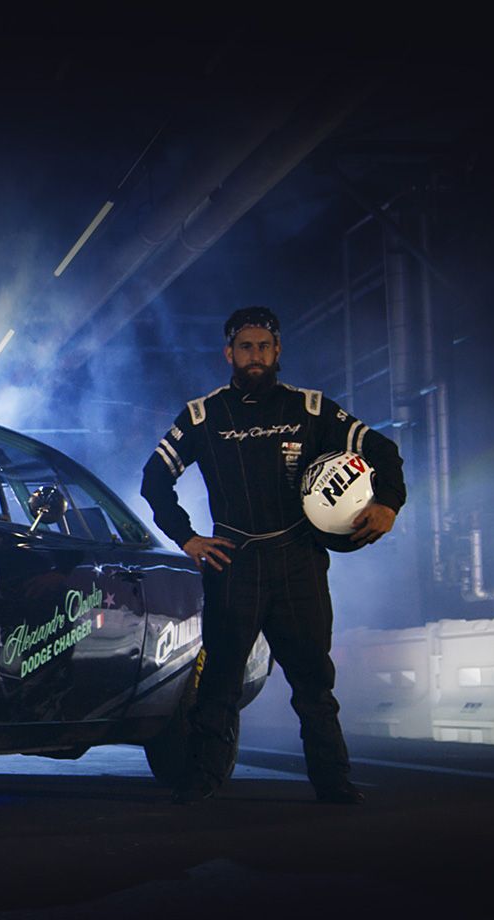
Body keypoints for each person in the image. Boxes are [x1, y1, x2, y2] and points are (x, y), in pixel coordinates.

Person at [139, 306, 405, 805]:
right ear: (229, 354)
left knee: (314, 682)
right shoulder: (202, 415)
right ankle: (202, 782)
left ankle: (334, 784)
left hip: (298, 560)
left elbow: (383, 450)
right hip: (232, 563)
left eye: (264, 346)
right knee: (219, 682)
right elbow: (154, 479)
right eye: (246, 347)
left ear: (278, 350)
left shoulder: (310, 409)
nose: (255, 355)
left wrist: (389, 502)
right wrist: (187, 538)